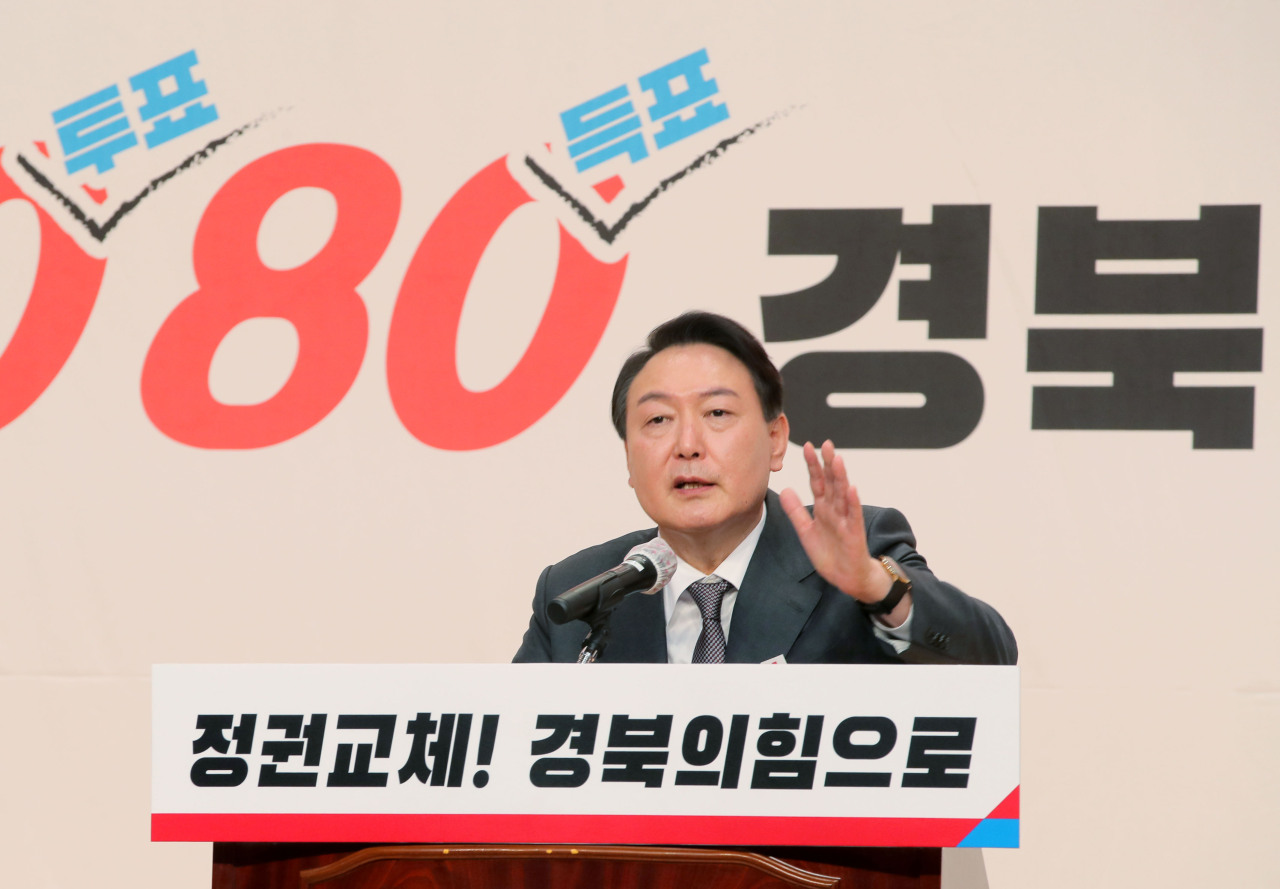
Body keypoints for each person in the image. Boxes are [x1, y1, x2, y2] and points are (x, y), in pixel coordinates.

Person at [513, 311, 1016, 665]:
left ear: (776, 441)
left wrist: (873, 585)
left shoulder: (856, 551)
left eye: (717, 414)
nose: (687, 445)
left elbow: (990, 660)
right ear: (628, 456)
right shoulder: (577, 593)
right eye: (658, 419)